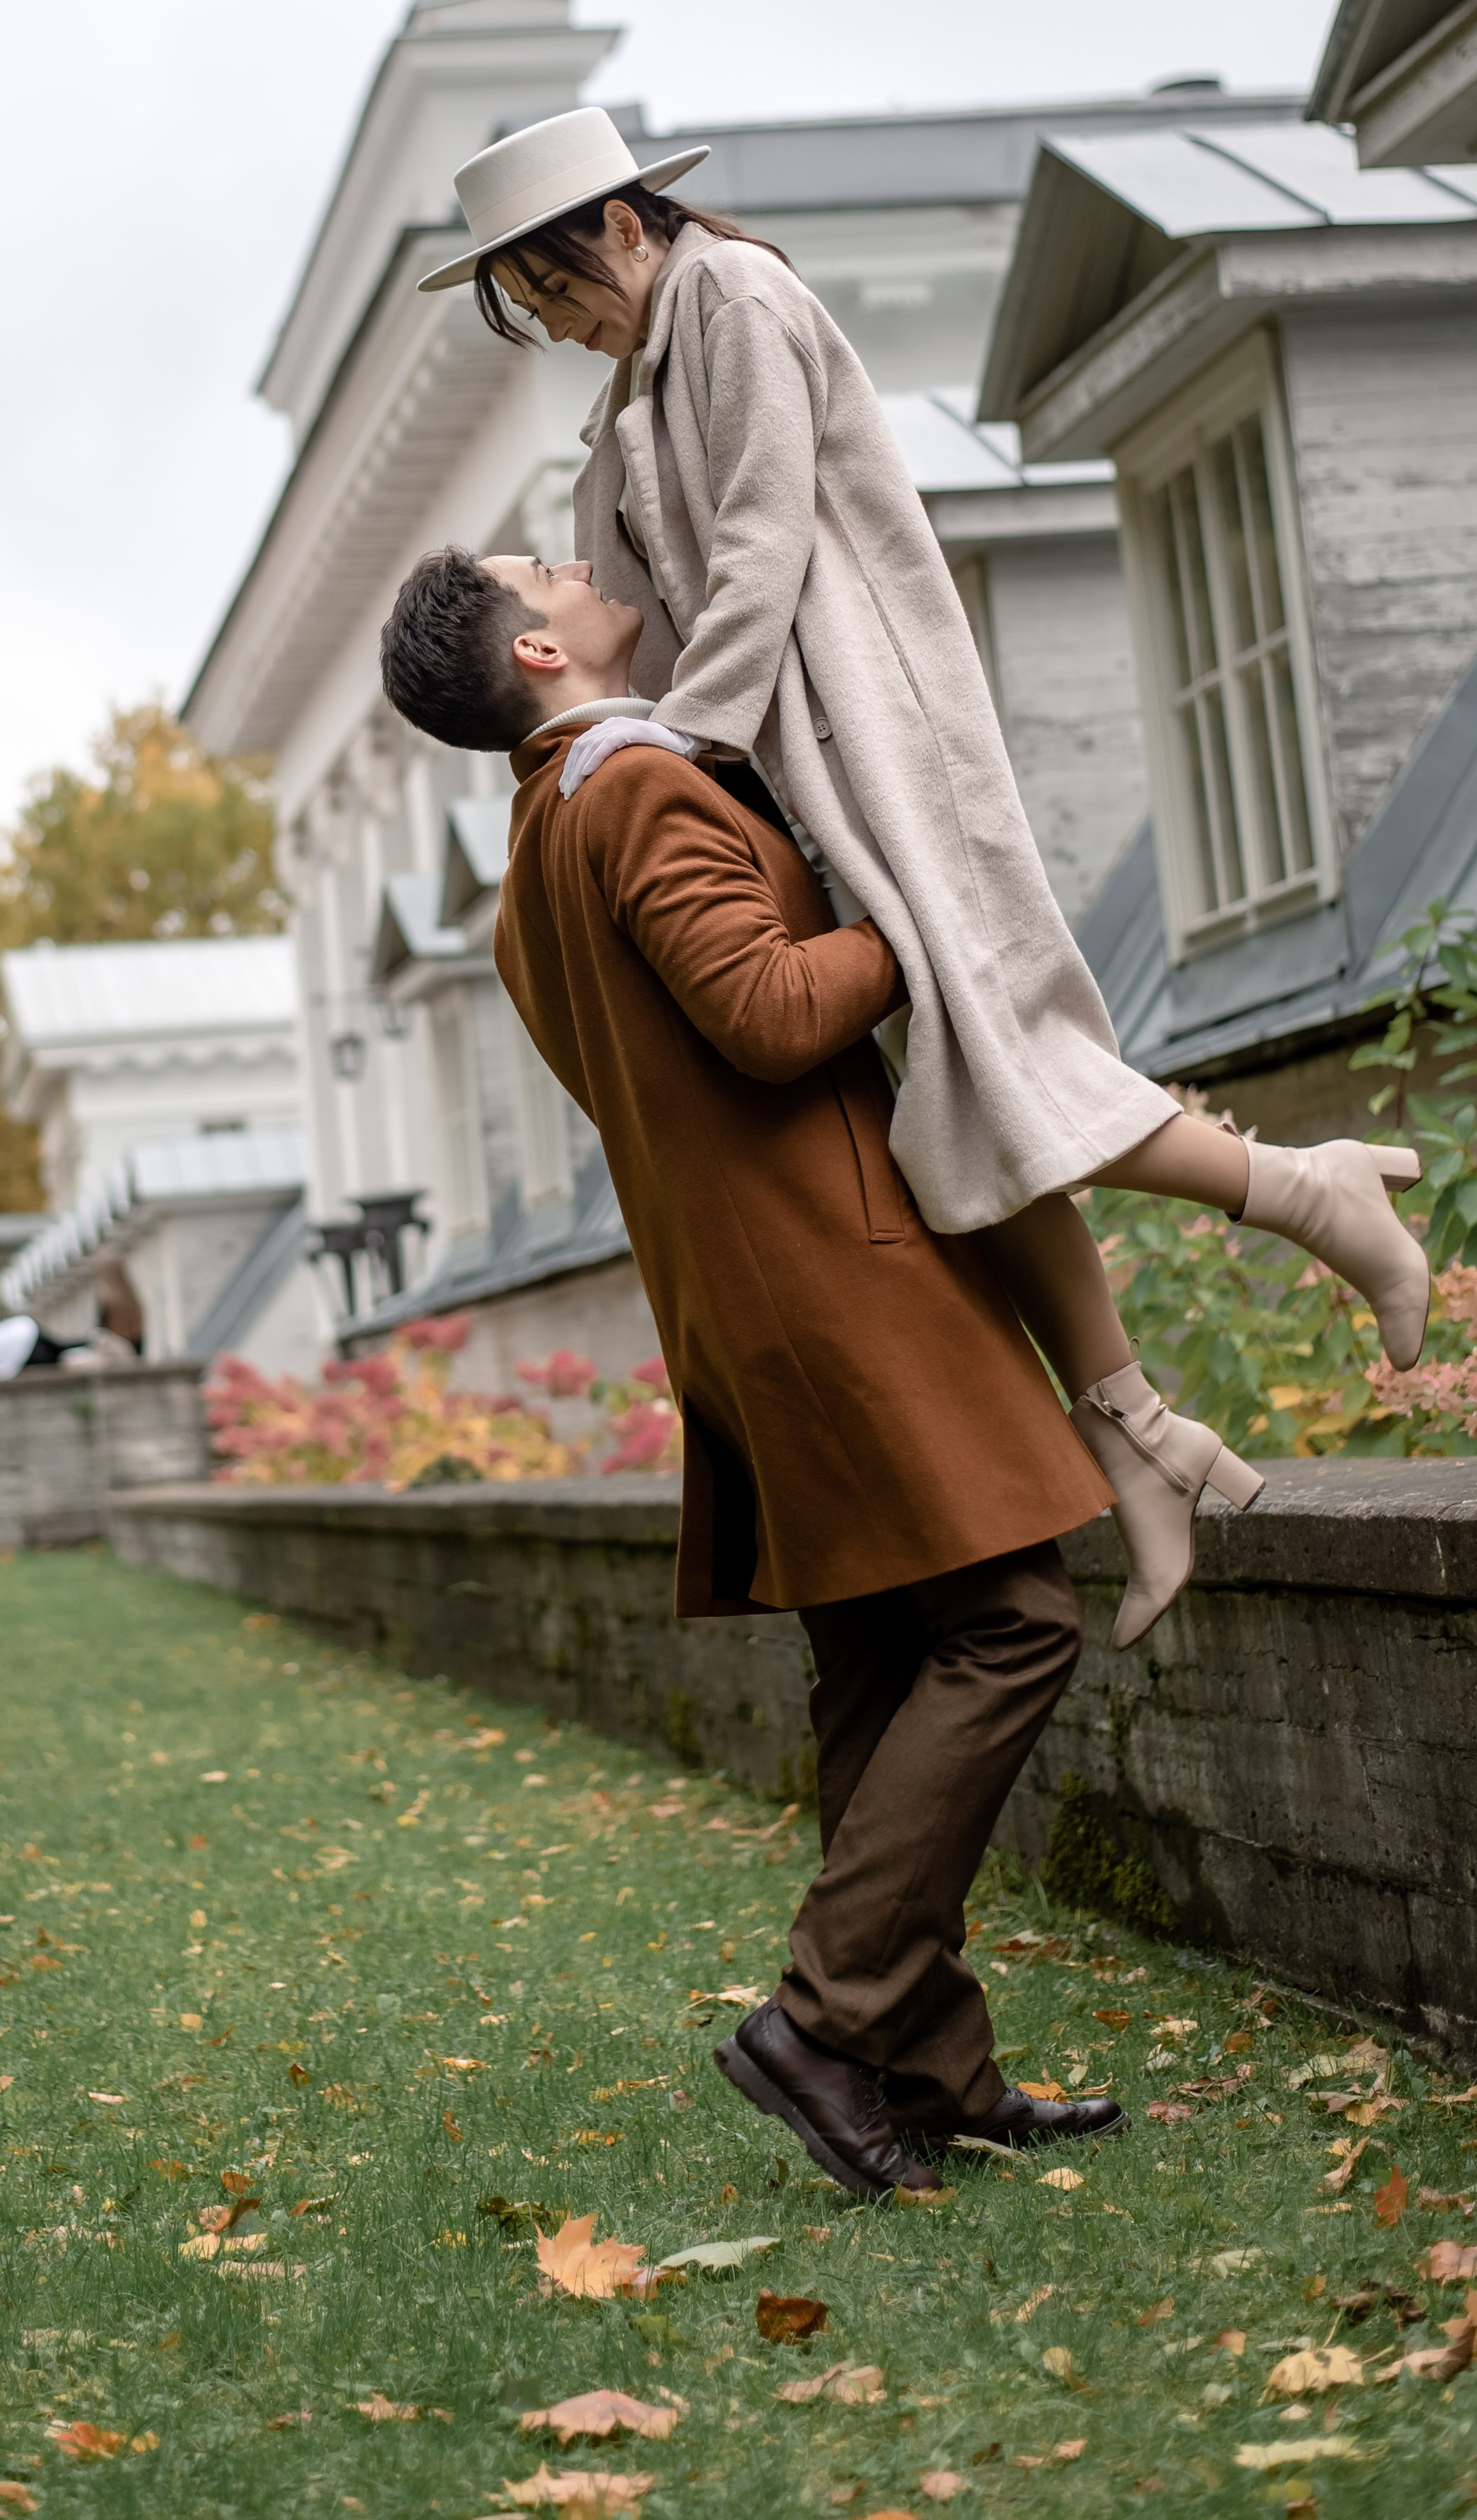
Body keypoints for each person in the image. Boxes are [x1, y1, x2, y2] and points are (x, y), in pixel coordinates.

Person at [414, 107, 1428, 1646]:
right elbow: (624, 604)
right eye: (532, 311)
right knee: (944, 1119)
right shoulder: (633, 390)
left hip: (867, 741)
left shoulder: (734, 303)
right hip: (776, 758)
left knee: (997, 1057)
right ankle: (1135, 1427)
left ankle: (1304, 1191)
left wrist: (672, 754)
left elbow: (756, 551)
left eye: (556, 287)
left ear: (621, 226)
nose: (558, 325)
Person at [377, 540, 1129, 2200]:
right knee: (1015, 1622)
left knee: (881, 1662)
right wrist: (905, 916)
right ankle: (822, 2017)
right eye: (546, 564)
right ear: (534, 644)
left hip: (752, 1299)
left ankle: (926, 2073)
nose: (579, 560)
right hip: (832, 1283)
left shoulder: (535, 845)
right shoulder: (628, 796)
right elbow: (774, 1014)